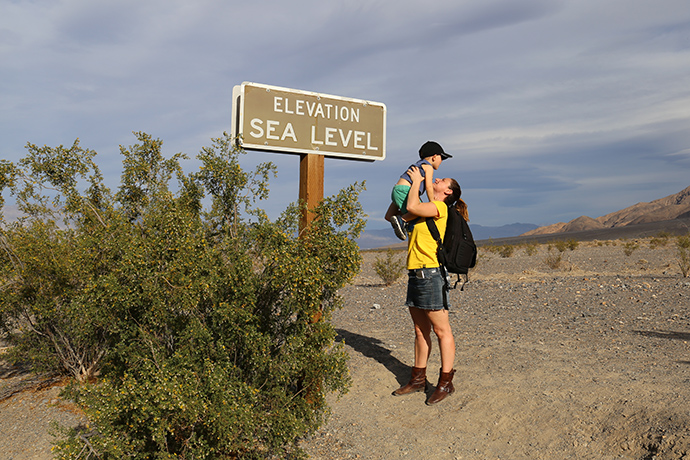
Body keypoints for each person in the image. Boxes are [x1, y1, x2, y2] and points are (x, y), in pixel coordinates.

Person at [391, 164, 467, 406]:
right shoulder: (421, 209)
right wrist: (399, 188)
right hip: (415, 274)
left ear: (448, 192)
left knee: (441, 330)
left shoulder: (439, 208)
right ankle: (418, 380)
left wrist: (416, 182)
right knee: (419, 331)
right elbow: (394, 215)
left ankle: (445, 382)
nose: (437, 180)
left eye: (442, 180)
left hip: (431, 275)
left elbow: (413, 205)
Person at [384, 141, 452, 241]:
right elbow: (428, 186)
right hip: (405, 190)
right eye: (442, 158)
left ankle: (404, 224)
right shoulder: (428, 167)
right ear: (434, 157)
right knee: (418, 210)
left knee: (413, 213)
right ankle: (402, 220)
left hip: (398, 189)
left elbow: (388, 216)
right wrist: (432, 201)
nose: (442, 161)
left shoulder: (419, 165)